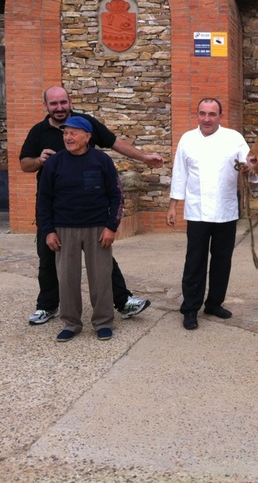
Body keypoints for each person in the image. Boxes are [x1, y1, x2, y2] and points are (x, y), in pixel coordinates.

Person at [20, 85, 164, 325]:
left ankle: (123, 301)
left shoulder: (85, 123)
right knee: (48, 258)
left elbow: (114, 142)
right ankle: (47, 306)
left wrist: (143, 157)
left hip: (91, 210)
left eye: (63, 102)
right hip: (56, 210)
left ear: (70, 101)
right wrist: (39, 160)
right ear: (45, 106)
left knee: (104, 259)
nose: (59, 107)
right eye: (53, 104)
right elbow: (24, 164)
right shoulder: (38, 131)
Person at [166, 97, 258, 330]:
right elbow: (180, 174)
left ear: (220, 116)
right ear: (197, 114)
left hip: (226, 210)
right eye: (202, 113)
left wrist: (250, 169)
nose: (206, 119)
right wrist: (173, 206)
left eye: (212, 114)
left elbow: (250, 165)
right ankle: (190, 308)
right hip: (197, 211)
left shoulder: (234, 138)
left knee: (222, 260)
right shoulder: (187, 139)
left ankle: (214, 303)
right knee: (195, 261)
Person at [37, 116, 122, 342]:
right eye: (65, 133)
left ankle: (103, 322)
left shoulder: (102, 161)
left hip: (97, 229)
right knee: (67, 279)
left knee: (101, 278)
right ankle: (71, 323)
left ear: (87, 137)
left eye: (74, 133)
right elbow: (43, 200)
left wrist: (111, 226)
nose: (68, 137)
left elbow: (116, 196)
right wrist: (49, 231)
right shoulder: (55, 163)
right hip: (64, 230)